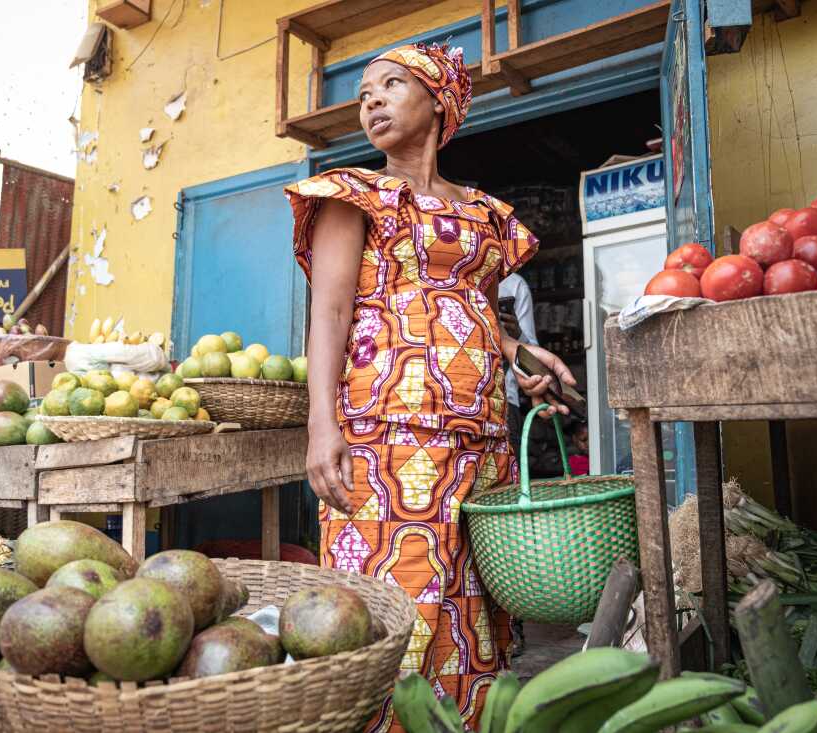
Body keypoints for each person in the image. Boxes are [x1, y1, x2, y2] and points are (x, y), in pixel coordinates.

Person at [284, 43, 576, 733]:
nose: (372, 101)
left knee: (477, 606)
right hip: (385, 441)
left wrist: (519, 354)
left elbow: (476, 306)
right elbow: (328, 314)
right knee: (396, 609)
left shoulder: (483, 214)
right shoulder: (350, 195)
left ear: (440, 100)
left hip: (481, 444)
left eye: (391, 85)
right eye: (363, 95)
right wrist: (320, 427)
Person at [498, 272, 538, 457]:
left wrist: (516, 335)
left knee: (506, 478)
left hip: (506, 401)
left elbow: (533, 355)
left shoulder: (514, 284)